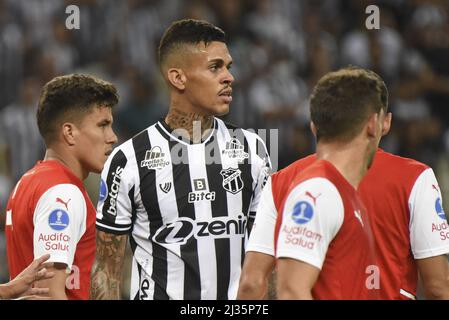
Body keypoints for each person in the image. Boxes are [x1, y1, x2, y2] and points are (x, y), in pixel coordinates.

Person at [91, 19, 271, 300]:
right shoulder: (128, 160)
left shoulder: (252, 149)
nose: (228, 77)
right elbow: (106, 272)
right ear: (178, 78)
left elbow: (265, 263)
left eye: (228, 67)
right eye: (215, 67)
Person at [238, 82, 449, 300]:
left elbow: (252, 284)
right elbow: (438, 288)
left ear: (314, 125)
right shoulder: (415, 178)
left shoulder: (281, 181)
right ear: (381, 123)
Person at [241, 67, 388, 300]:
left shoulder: (337, 189)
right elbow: (291, 291)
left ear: (313, 127)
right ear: (374, 124)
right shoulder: (317, 191)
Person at [5, 74, 118, 300]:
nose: (113, 137)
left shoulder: (29, 181)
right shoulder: (62, 192)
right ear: (69, 132)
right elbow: (49, 294)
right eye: (102, 125)